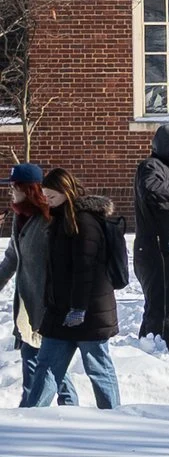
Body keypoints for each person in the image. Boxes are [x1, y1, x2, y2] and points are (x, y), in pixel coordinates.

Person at [24, 168, 123, 406]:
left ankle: (114, 418)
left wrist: (78, 308)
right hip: (60, 312)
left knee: (98, 368)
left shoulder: (85, 221)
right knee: (45, 368)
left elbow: (85, 269)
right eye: (45, 196)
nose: (47, 201)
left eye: (52, 196)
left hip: (89, 313)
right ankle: (30, 420)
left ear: (66, 192)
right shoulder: (59, 221)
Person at [132, 123, 169, 351]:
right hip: (156, 249)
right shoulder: (150, 167)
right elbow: (151, 189)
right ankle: (155, 347)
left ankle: (165, 345)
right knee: (161, 304)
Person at [1, 160, 52, 400]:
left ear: (28, 189)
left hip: (47, 302)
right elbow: (12, 257)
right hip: (25, 302)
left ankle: (67, 407)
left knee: (49, 363)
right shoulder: (19, 217)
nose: (11, 191)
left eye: (14, 187)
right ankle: (30, 407)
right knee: (32, 357)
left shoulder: (49, 220)